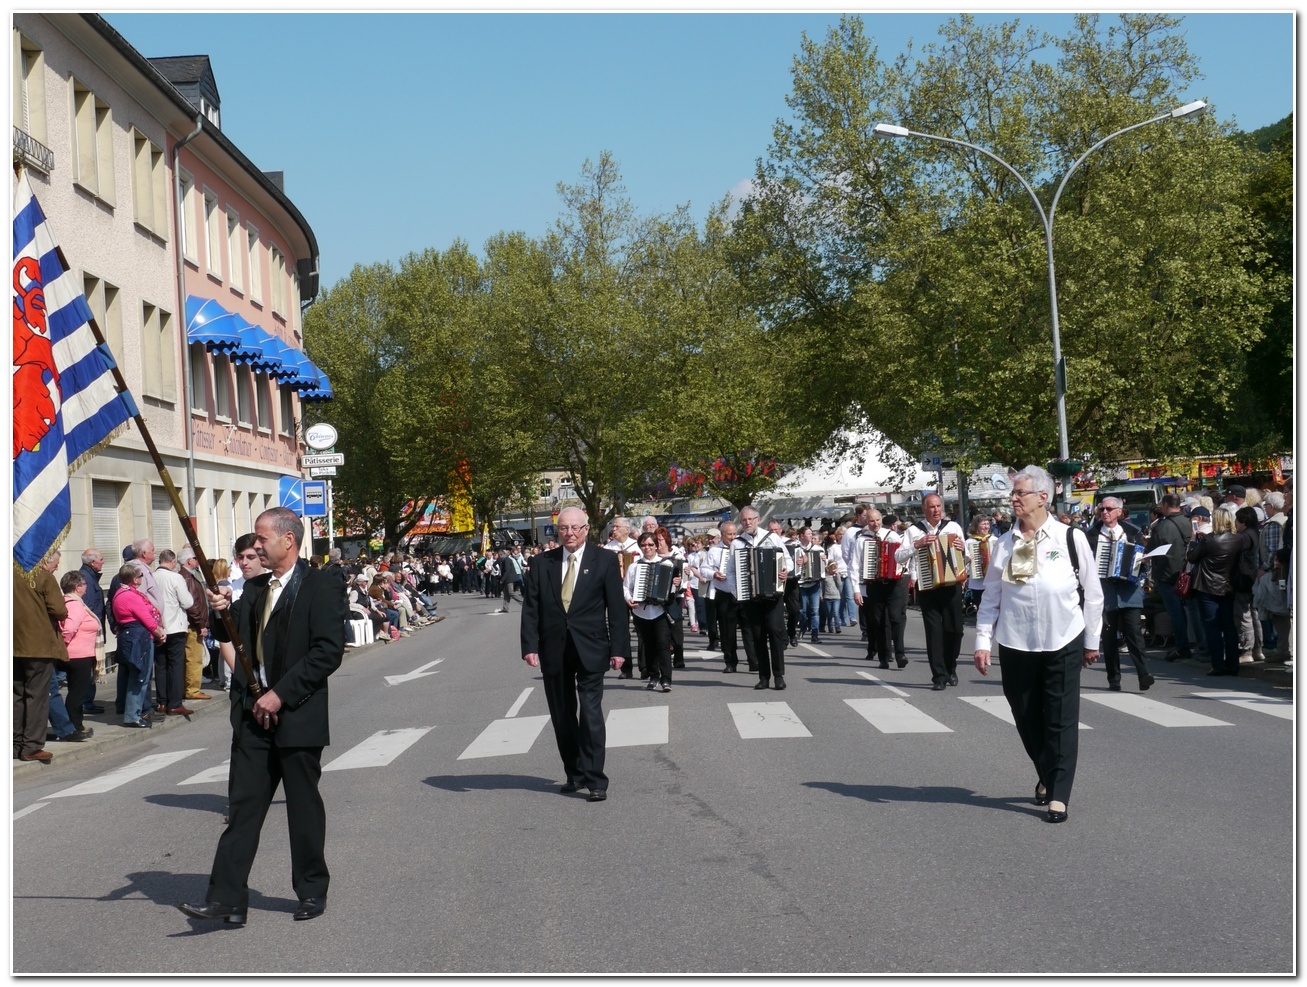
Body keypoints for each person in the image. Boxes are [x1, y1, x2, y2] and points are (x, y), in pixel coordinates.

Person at [178, 507, 346, 925]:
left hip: (298, 715)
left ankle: (311, 890)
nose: (255, 546)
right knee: (244, 809)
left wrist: (280, 695)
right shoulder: (254, 588)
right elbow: (230, 634)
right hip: (253, 716)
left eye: (261, 538)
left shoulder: (321, 585)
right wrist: (220, 609)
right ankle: (227, 900)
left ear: (288, 540)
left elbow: (327, 652)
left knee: (303, 808)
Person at [973, 466, 1103, 824]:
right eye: (1013, 493)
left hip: (1063, 637)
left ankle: (1059, 794)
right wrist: (982, 641)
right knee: (1026, 715)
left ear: (1043, 497)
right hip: (1016, 641)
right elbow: (991, 597)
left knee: (1061, 717)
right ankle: (1047, 771)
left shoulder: (1070, 537)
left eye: (1020, 493)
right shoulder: (1004, 543)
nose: (1014, 498)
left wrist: (1092, 640)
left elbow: (1093, 593)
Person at [520, 507, 629, 802]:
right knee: (562, 714)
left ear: (586, 529)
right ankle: (575, 772)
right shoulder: (541, 563)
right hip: (554, 648)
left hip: (591, 647)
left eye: (575, 528)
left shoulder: (604, 560)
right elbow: (531, 608)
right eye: (563, 528)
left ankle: (595, 779)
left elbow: (616, 608)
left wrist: (619, 649)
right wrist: (529, 646)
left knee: (591, 713)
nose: (569, 533)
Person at [897, 494, 968, 690]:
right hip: (927, 585)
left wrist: (964, 549)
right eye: (932, 507)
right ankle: (939, 676)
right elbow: (898, 557)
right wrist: (916, 545)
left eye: (938, 506)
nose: (936, 510)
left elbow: (967, 556)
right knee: (934, 631)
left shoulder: (953, 527)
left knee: (955, 630)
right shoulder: (913, 531)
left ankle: (950, 666)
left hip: (951, 583)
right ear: (924, 509)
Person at [1087, 498, 1155, 692]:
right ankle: (1114, 678)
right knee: (1109, 639)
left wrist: (1142, 564)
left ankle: (1144, 674)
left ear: (1119, 511)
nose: (1104, 512)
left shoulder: (1132, 532)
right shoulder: (1091, 535)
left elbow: (1141, 559)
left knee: (1135, 635)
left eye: (1109, 509)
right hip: (1105, 591)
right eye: (1102, 509)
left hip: (1128, 591)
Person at [14, 557, 69, 762]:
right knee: (37, 696)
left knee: (16, 696)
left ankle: (14, 744)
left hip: (13, 644)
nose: (57, 566)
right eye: (55, 561)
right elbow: (59, 610)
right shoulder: (43, 577)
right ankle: (31, 746)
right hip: (38, 646)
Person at [732, 508, 790, 690]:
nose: (747, 523)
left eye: (751, 519)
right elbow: (731, 572)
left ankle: (779, 676)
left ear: (758, 519)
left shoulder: (772, 538)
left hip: (773, 595)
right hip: (750, 596)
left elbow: (787, 559)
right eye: (744, 520)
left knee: (775, 631)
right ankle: (764, 677)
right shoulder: (737, 543)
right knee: (757, 636)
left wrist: (784, 571)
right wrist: (738, 591)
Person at [1187, 507, 1244, 677]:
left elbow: (1191, 557)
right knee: (1228, 625)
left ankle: (1218, 664)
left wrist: (1193, 540)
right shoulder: (1237, 539)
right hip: (1227, 585)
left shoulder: (1209, 540)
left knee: (1212, 626)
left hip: (1207, 586)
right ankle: (1233, 664)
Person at [851, 509, 909, 669]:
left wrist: (904, 567)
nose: (875, 524)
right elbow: (854, 566)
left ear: (881, 520)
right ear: (866, 522)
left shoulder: (892, 535)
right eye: (871, 521)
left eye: (877, 520)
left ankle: (900, 654)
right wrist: (856, 589)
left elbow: (903, 555)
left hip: (894, 583)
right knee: (879, 621)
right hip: (874, 584)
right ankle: (883, 657)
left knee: (896, 618)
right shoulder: (862, 540)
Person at [111, 564, 165, 729]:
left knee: (137, 675)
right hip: (138, 637)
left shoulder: (124, 593)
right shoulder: (129, 596)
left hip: (134, 636)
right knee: (140, 676)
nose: (143, 578)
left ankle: (134, 712)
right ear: (135, 579)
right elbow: (147, 619)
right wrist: (160, 633)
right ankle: (132, 716)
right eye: (141, 576)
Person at [624, 531, 675, 692]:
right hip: (641, 612)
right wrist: (629, 599)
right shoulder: (634, 566)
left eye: (650, 544)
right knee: (648, 645)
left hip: (660, 611)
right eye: (644, 545)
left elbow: (674, 588)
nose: (647, 548)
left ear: (656, 546)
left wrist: (677, 583)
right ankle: (654, 676)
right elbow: (626, 587)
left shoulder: (667, 564)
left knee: (663, 645)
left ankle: (666, 679)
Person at [1149, 494, 1195, 662]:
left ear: (1166, 505)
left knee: (1175, 613)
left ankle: (1181, 646)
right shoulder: (1189, 522)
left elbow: (1152, 549)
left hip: (1168, 575)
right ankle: (1197, 644)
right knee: (1192, 611)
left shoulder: (1162, 526)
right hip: (1188, 572)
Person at [56, 570, 100, 741]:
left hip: (77, 654)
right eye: (84, 584)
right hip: (77, 656)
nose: (86, 587)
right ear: (77, 587)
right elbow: (68, 629)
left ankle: (76, 723)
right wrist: (64, 646)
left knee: (76, 692)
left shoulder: (70, 602)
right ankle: (74, 725)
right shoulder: (74, 605)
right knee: (77, 693)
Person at [153, 549, 196, 716]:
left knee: (161, 665)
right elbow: (187, 602)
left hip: (158, 627)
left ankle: (162, 702)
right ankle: (175, 703)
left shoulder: (152, 577)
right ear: (172, 562)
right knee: (176, 665)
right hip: (175, 627)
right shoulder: (175, 577)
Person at [77, 549, 108, 715]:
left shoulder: (90, 576)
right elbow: (88, 608)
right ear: (92, 562)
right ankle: (86, 702)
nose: (103, 562)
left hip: (94, 631)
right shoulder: (85, 579)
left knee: (91, 667)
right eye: (101, 559)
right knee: (88, 669)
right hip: (90, 633)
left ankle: (88, 701)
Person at [964, 515, 998, 615]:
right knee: (981, 608)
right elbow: (964, 562)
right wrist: (967, 560)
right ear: (976, 526)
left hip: (993, 580)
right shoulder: (969, 542)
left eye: (987, 524)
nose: (986, 527)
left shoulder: (995, 540)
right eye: (983, 524)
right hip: (977, 582)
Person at [499, 544, 526, 613]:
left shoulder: (507, 560)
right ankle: (505, 608)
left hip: (509, 578)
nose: (499, 557)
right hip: (507, 578)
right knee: (506, 593)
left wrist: (502, 580)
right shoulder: (505, 559)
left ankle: (524, 603)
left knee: (511, 592)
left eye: (500, 555)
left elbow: (507, 570)